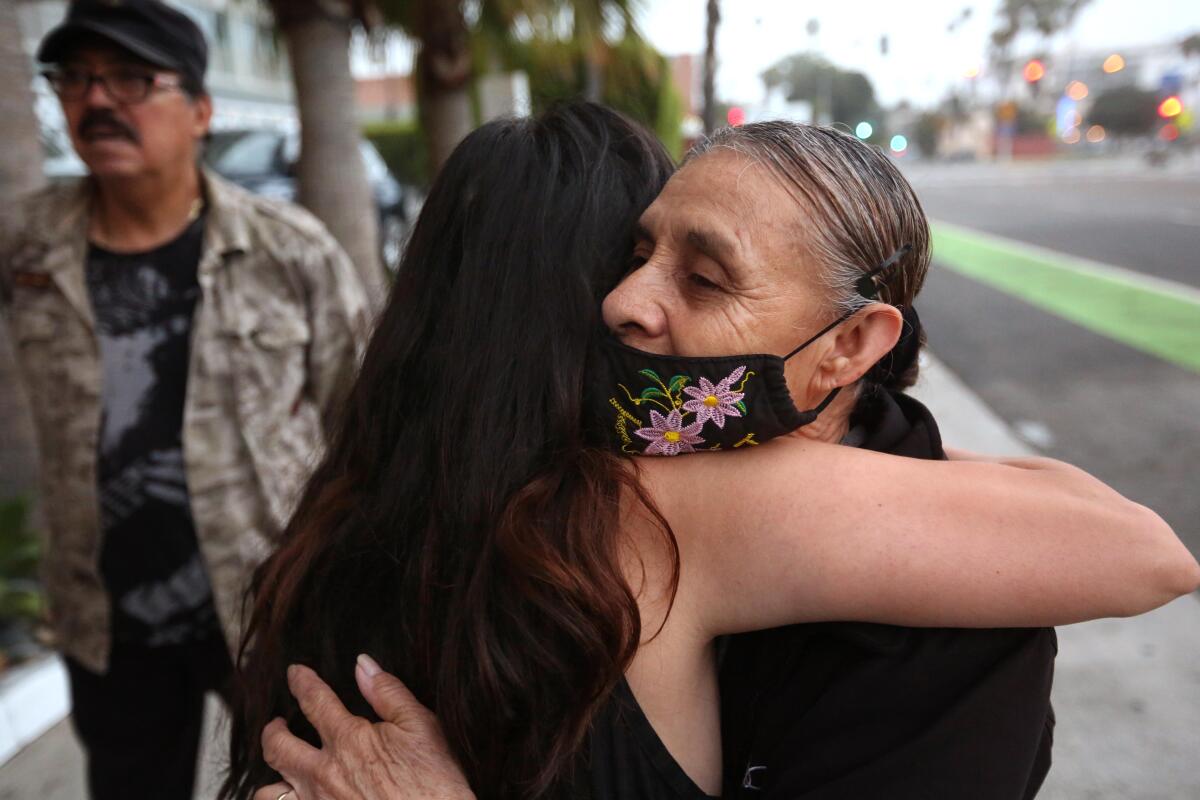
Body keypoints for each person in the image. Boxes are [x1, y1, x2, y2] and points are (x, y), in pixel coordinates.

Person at [227, 105, 1199, 800]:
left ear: (852, 344)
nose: (624, 303)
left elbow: (1148, 551)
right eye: (634, 255)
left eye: (703, 275)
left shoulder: (945, 613)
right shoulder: (591, 481)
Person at [0, 1, 369, 798]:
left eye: (132, 79)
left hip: (268, 605)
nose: (98, 100)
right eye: (78, 78)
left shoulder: (287, 250)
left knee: (292, 785)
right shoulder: (25, 247)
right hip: (108, 619)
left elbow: (365, 429)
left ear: (200, 109)